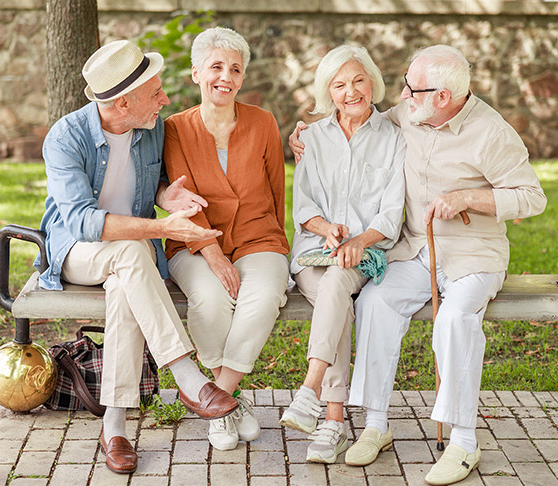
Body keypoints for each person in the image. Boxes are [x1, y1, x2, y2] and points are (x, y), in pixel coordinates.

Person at [290, 45, 546, 485]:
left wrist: (469, 198)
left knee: (455, 318)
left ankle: (464, 441)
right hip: (415, 250)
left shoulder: (491, 132)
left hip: (473, 254)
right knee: (375, 302)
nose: (403, 94)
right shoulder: (408, 112)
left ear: (441, 97)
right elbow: (359, 124)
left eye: (412, 87)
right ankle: (376, 423)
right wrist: (306, 135)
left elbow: (531, 197)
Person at [38, 40, 240, 475]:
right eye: (156, 93)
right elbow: (82, 223)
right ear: (123, 102)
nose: (165, 100)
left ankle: (115, 426)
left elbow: (161, 183)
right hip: (77, 252)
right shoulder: (66, 136)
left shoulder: (152, 128)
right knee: (133, 252)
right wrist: (163, 228)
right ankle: (186, 376)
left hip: (129, 261)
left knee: (127, 284)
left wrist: (171, 196)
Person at [163, 27, 290, 451]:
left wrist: (275, 245)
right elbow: (183, 199)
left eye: (235, 69)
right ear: (197, 72)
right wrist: (213, 254)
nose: (226, 76)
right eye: (216, 66)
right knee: (211, 297)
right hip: (193, 242)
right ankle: (229, 405)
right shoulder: (176, 129)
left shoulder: (264, 122)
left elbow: (276, 192)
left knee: (266, 293)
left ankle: (221, 396)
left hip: (259, 236)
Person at [278, 45, 405, 465]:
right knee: (337, 300)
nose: (351, 91)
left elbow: (391, 212)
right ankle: (329, 419)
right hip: (316, 253)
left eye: (358, 80)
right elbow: (304, 206)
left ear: (372, 83)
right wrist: (326, 228)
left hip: (364, 254)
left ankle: (313, 392)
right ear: (328, 92)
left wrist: (357, 241)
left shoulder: (394, 138)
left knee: (339, 282)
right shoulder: (312, 138)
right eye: (339, 84)